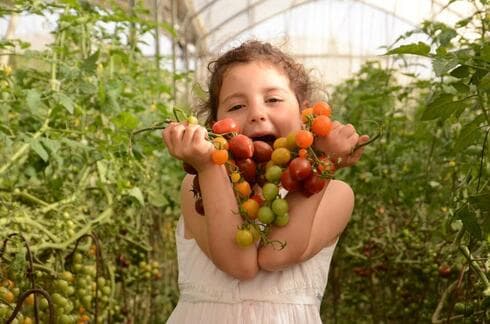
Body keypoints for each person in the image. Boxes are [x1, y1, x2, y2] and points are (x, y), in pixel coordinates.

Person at [162, 40, 369, 323]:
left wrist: (321, 164)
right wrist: (209, 166)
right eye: (236, 105)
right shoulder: (197, 185)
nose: (257, 113)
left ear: (304, 114)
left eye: (273, 100)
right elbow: (240, 264)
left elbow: (275, 255)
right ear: (215, 126)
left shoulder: (336, 193)